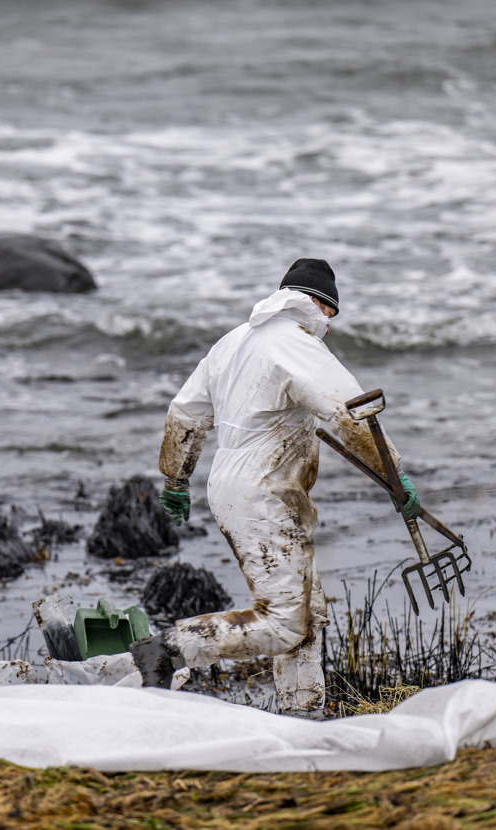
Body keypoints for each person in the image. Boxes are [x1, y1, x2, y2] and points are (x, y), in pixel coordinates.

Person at [129, 258, 420, 718]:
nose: (329, 324)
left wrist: (176, 478)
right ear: (321, 306)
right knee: (285, 622)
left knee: (308, 613)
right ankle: (169, 646)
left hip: (233, 485)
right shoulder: (297, 346)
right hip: (261, 493)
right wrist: (394, 474)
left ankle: (302, 714)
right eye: (331, 315)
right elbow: (351, 412)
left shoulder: (233, 342)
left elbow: (185, 413)